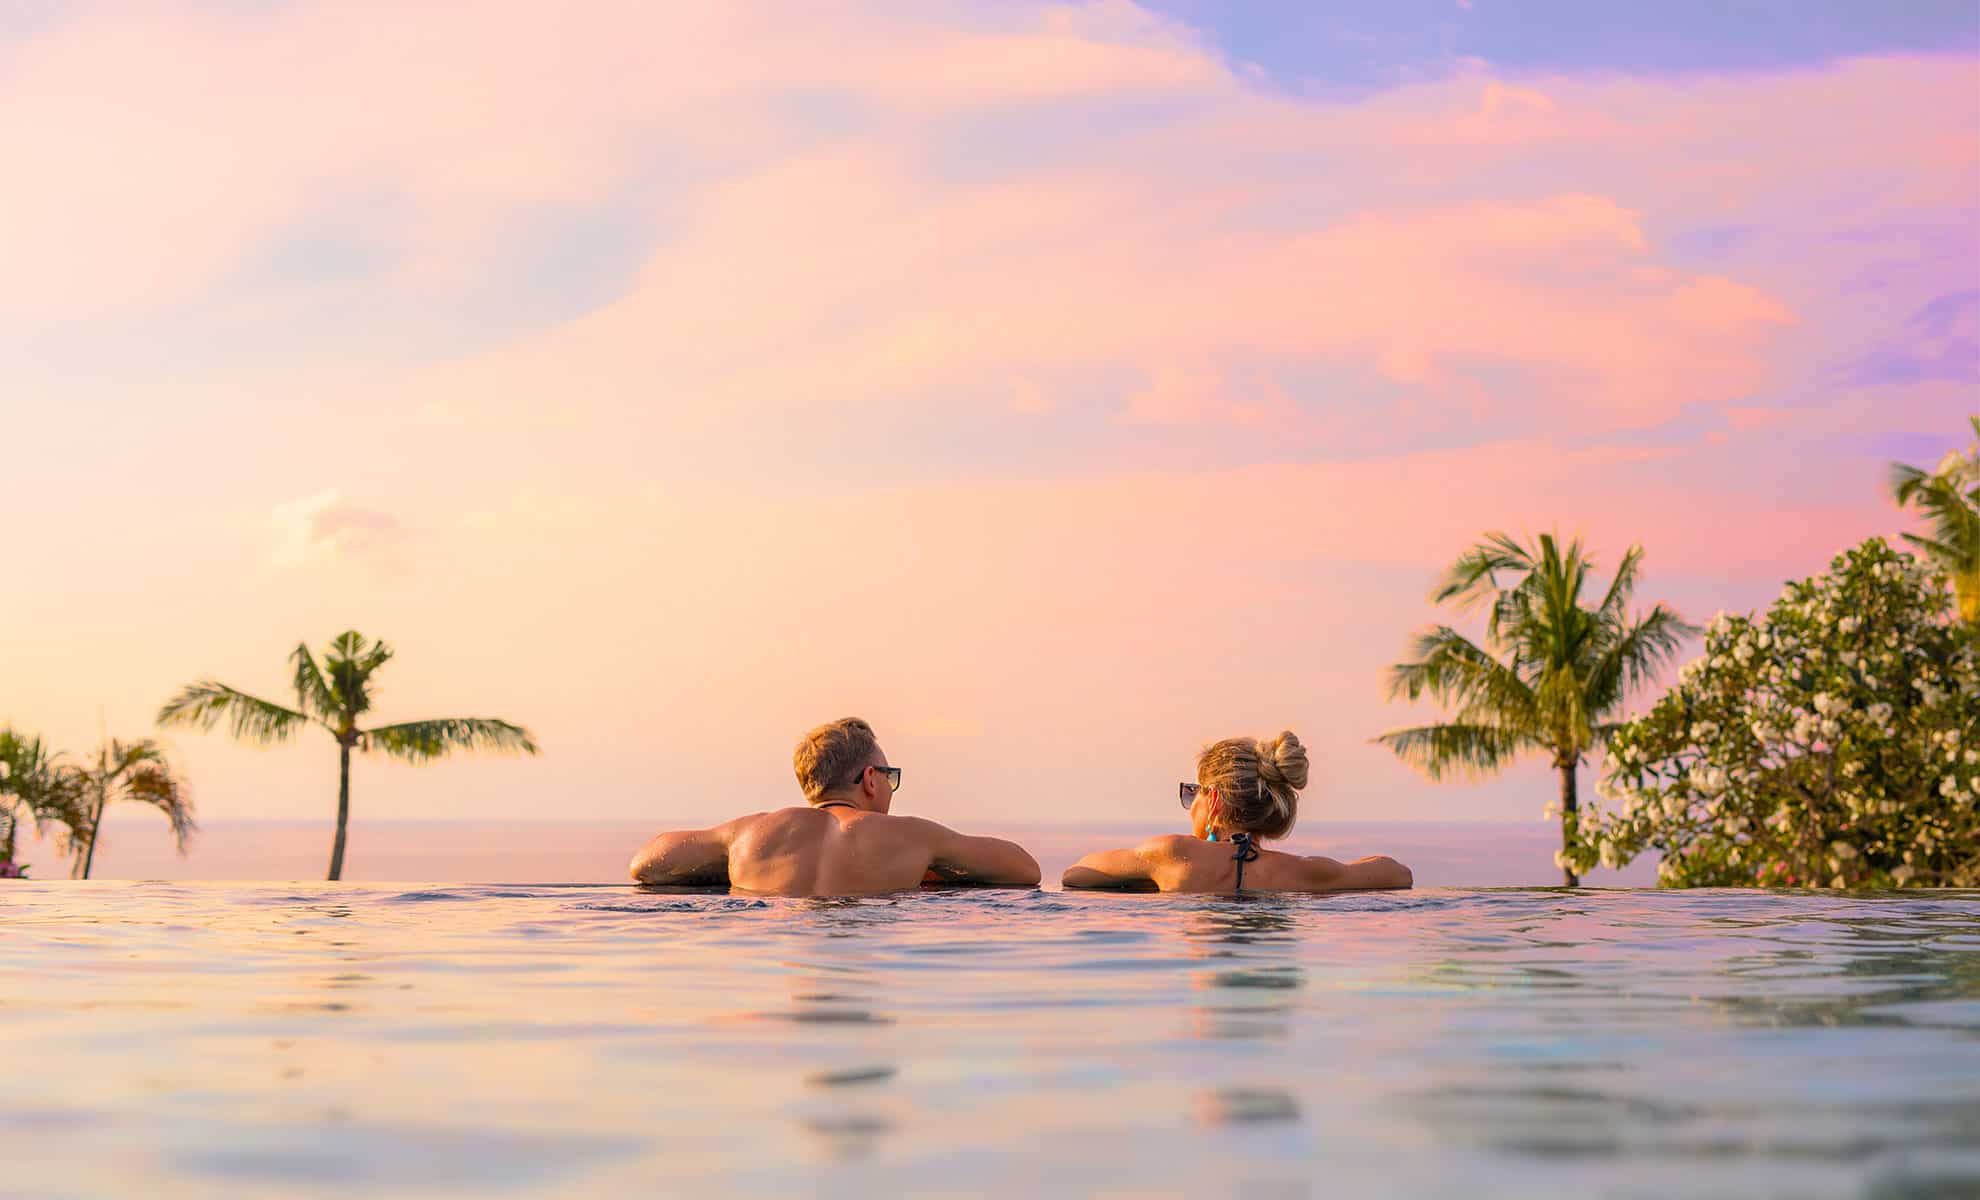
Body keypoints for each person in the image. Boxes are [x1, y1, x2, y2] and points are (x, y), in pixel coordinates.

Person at [629, 717, 1041, 896]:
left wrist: (731, 864)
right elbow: (1025, 870)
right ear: (869, 779)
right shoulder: (912, 836)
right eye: (889, 776)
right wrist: (935, 867)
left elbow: (646, 863)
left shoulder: (748, 834)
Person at [1062, 731, 1412, 894]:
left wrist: (1145, 880)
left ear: (1213, 799)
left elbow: (1076, 874)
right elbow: (1398, 873)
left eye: (1192, 794)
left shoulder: (1171, 855)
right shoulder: (1305, 873)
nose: (1190, 806)